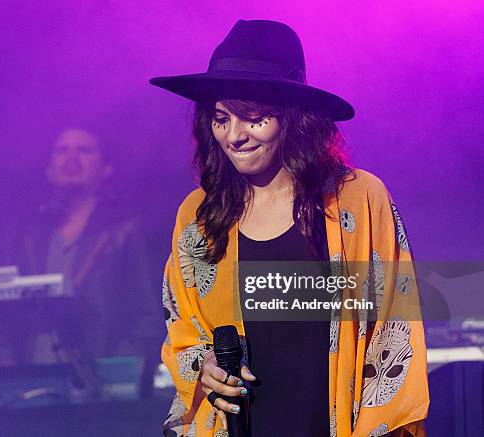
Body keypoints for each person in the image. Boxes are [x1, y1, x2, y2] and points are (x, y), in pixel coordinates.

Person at [150, 20, 429, 436]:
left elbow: (392, 332)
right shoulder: (198, 215)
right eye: (221, 118)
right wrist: (203, 366)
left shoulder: (358, 200)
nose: (234, 136)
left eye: (254, 118)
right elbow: (183, 329)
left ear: (293, 119)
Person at [10, 128, 160, 392]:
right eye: (62, 150)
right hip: (35, 367)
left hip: (103, 367)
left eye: (84, 150)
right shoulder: (29, 233)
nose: (71, 158)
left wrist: (127, 369)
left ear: (106, 168)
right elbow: (5, 309)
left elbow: (147, 313)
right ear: (49, 169)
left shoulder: (125, 229)